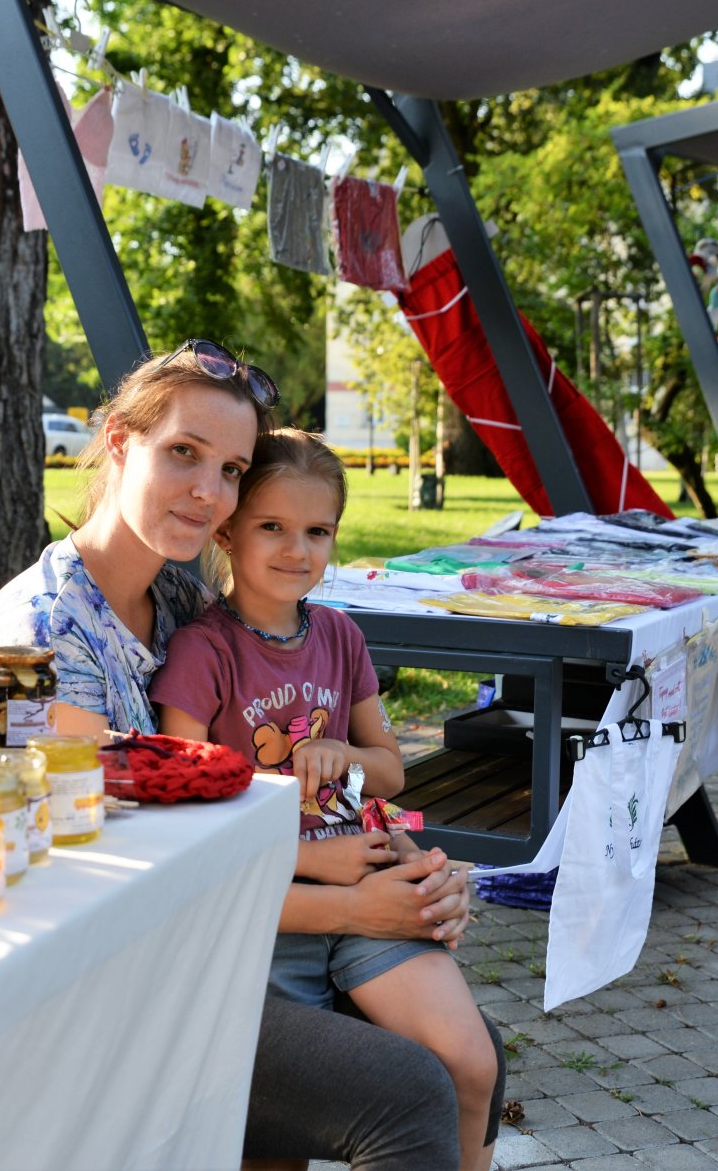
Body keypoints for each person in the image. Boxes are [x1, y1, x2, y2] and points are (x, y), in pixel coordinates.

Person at [0, 342, 498, 1169]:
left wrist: (408, 871)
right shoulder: (40, 642)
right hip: (107, 984)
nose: (209, 492)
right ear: (120, 442)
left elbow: (274, 780)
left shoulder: (179, 595)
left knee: (469, 1054)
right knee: (407, 1092)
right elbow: (135, 866)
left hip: (217, 936)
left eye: (233, 469)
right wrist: (357, 908)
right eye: (184, 452)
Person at [151, 428, 500, 1171]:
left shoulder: (339, 636)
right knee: (283, 1143)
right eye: (273, 527)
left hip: (372, 886)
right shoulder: (202, 652)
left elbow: (390, 772)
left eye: (318, 532)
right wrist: (299, 837)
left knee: (472, 1065)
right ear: (228, 531)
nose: (297, 550)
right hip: (273, 911)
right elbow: (184, 808)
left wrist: (347, 757)